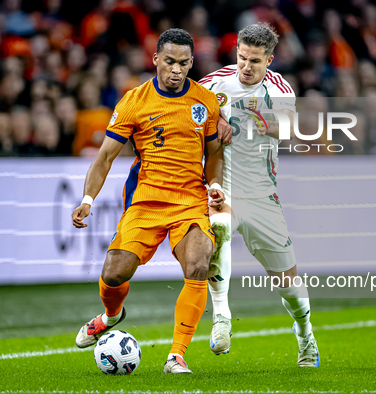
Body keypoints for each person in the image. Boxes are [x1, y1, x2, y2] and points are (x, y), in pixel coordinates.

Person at [71, 28, 224, 374]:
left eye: (184, 63)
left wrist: (214, 182)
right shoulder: (134, 101)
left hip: (190, 200)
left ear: (191, 64)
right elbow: (105, 157)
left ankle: (177, 355)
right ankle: (112, 315)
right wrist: (87, 200)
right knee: (113, 274)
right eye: (169, 61)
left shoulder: (205, 101)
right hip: (147, 201)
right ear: (155, 59)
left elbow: (214, 153)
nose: (176, 69)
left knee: (199, 263)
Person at [199, 23, 319, 367]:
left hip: (263, 196)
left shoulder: (279, 87)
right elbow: (189, 117)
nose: (246, 67)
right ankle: (221, 316)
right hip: (225, 187)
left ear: (269, 59)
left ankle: (305, 333)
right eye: (241, 58)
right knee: (217, 229)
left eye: (254, 60)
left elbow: (287, 128)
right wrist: (211, 124)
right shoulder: (212, 83)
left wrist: (249, 119)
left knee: (289, 285)